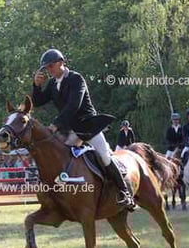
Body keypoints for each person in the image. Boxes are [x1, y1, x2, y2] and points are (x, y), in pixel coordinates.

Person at [32, 48, 135, 211]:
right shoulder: (52, 84)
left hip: (88, 126)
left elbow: (73, 106)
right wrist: (36, 86)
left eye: (50, 66)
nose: (48, 70)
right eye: (46, 68)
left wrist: (56, 124)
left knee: (104, 156)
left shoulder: (76, 79)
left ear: (61, 63)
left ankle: (125, 193)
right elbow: (38, 102)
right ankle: (60, 195)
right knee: (59, 157)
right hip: (70, 130)